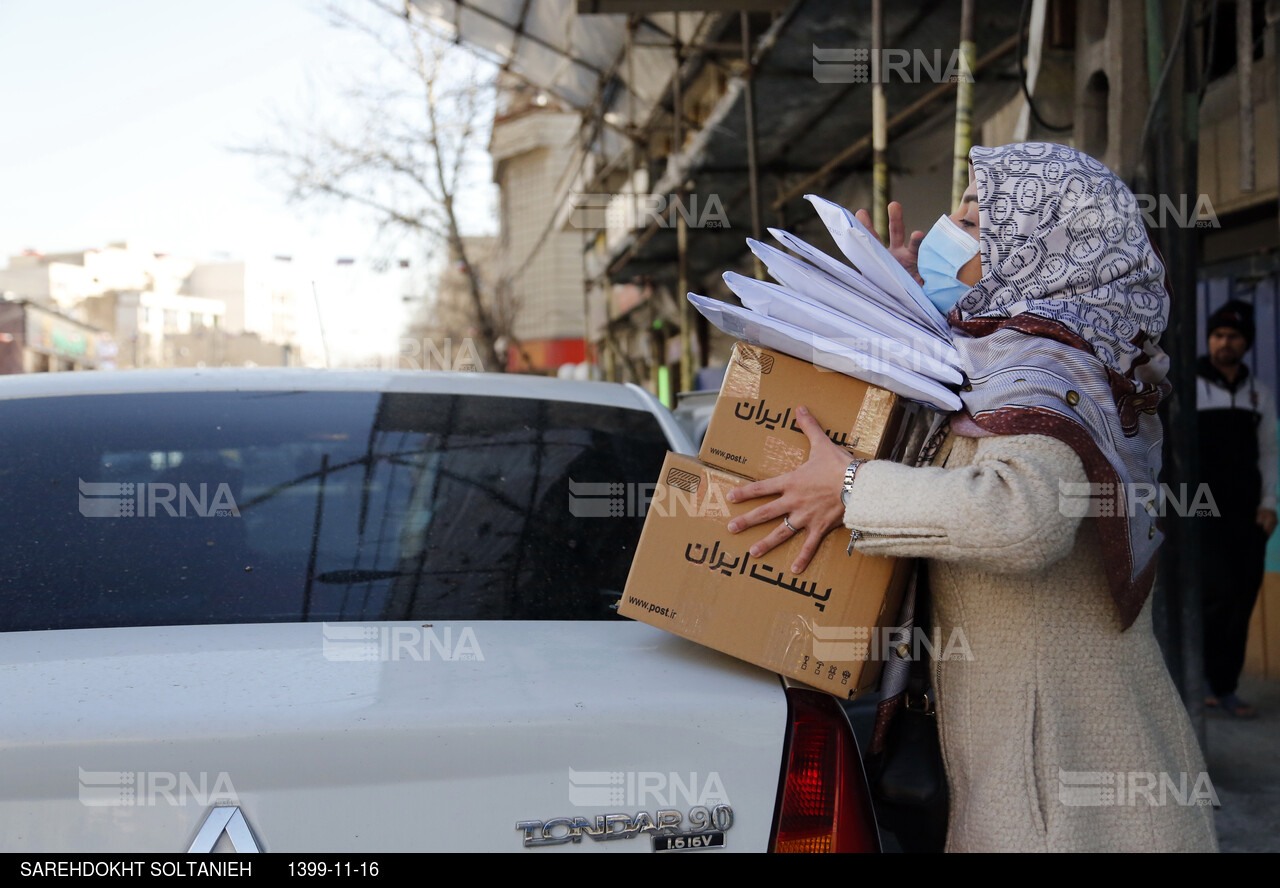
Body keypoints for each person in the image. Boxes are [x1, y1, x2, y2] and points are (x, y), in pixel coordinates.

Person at [725, 142, 1218, 852]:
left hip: (1065, 801)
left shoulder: (1049, 363)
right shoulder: (1025, 358)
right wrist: (899, 312)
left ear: (1046, 246)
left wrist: (850, 492)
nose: (953, 229)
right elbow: (949, 447)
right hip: (1041, 776)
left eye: (982, 220)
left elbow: (1022, 517)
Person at [1197, 300, 1278, 718]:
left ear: (1245, 343)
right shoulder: (1189, 384)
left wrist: (1269, 505)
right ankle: (1201, 681)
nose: (1224, 343)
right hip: (1199, 509)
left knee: (1243, 596)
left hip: (1247, 513)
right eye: (1217, 335)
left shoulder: (1258, 393)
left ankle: (1225, 686)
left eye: (1233, 336)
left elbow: (1268, 453)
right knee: (1214, 592)